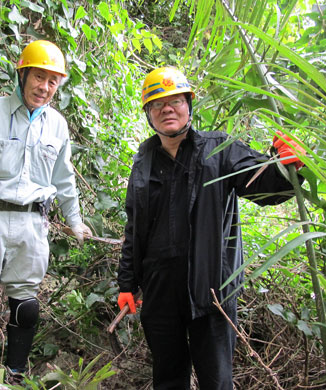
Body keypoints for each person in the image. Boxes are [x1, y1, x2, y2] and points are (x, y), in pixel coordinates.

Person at [116, 66, 306, 390]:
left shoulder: (219, 149)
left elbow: (261, 185)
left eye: (175, 101)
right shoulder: (142, 161)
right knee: (167, 378)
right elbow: (135, 229)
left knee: (216, 381)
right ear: (148, 113)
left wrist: (286, 166)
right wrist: (127, 283)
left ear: (189, 105)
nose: (167, 109)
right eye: (157, 104)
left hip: (212, 292)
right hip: (160, 293)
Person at [0, 40, 92, 378]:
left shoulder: (57, 125)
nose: (45, 87)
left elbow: (64, 179)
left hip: (32, 223)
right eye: (39, 77)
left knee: (25, 300)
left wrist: (74, 221)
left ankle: (15, 374)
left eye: (53, 81)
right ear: (22, 74)